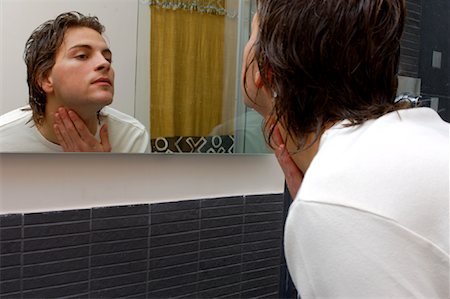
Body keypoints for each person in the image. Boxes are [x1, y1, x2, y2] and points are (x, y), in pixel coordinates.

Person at [242, 0, 449, 297]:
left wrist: (330, 210)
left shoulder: (339, 198)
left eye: (251, 34)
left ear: (267, 71)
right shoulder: (419, 139)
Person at [0, 11, 149, 153]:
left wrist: (98, 169)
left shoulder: (132, 137)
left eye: (107, 58)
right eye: (82, 56)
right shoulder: (4, 138)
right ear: (45, 78)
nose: (105, 64)